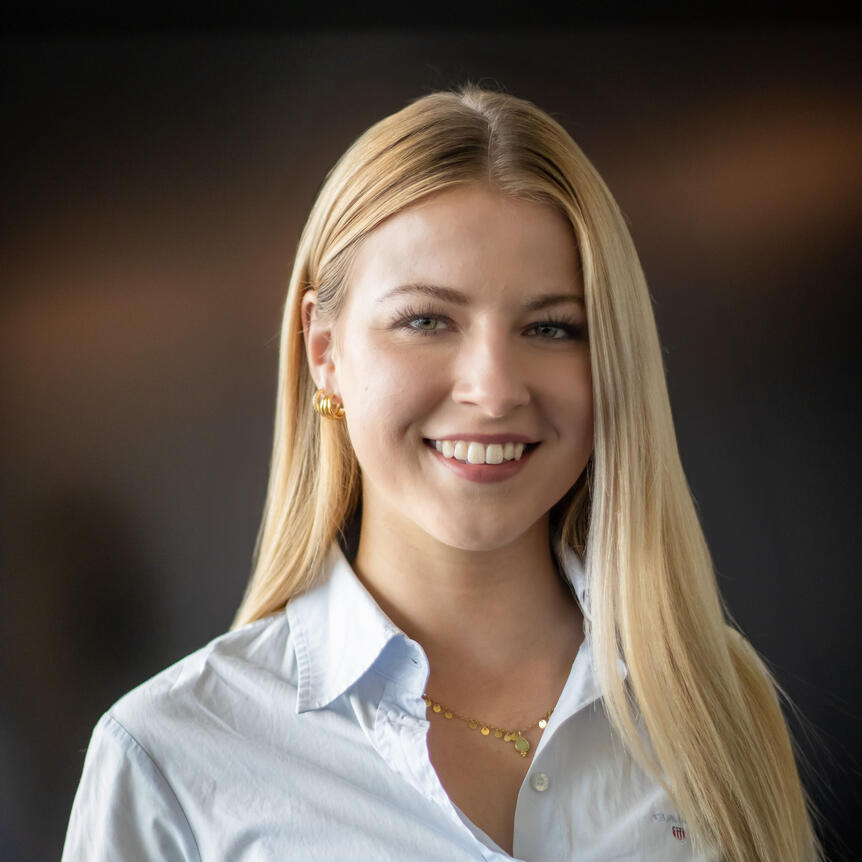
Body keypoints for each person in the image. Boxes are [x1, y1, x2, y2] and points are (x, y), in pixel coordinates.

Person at [63, 85, 821, 861]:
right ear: (325, 351)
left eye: (552, 327)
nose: (493, 389)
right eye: (427, 320)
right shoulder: (167, 759)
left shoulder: (714, 702)